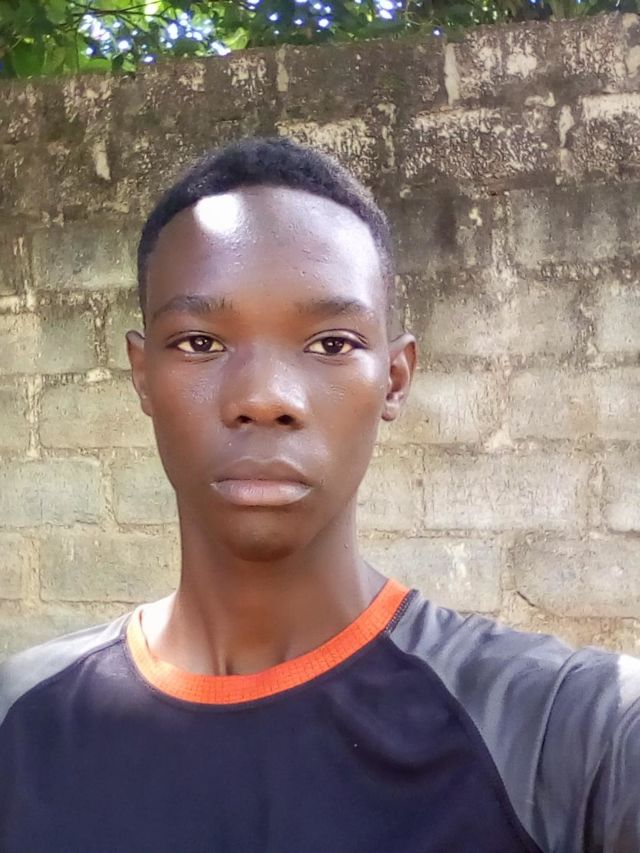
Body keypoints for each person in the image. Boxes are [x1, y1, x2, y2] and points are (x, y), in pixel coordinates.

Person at [0, 136, 638, 853]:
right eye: (200, 343)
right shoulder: (19, 721)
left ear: (394, 378)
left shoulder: (568, 735)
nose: (264, 397)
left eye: (332, 343)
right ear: (142, 374)